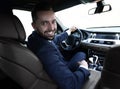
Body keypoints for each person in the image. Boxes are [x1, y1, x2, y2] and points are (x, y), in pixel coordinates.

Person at [27, 2, 90, 89]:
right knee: (81, 53)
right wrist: (84, 67)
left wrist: (69, 31)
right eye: (44, 23)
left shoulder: (34, 38)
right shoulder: (45, 50)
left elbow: (55, 39)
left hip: (57, 65)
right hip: (63, 70)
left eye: (53, 22)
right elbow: (70, 84)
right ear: (34, 26)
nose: (52, 28)